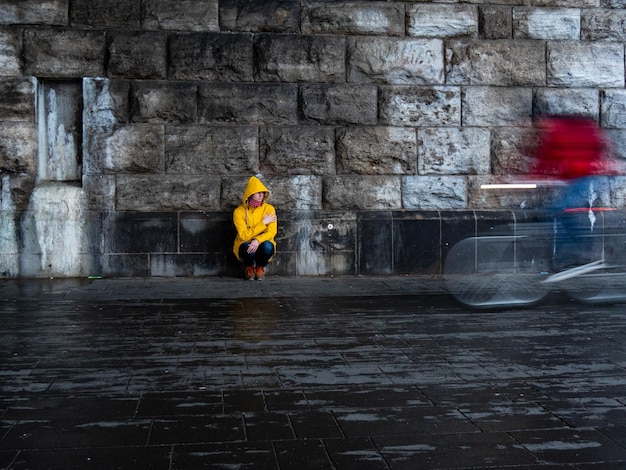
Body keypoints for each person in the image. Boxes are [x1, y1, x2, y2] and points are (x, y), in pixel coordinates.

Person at [232, 176, 277, 280]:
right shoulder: (239, 211)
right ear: (250, 194)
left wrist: (257, 240)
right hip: (246, 242)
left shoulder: (269, 209)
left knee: (268, 247)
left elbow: (271, 232)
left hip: (263, 241)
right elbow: (243, 235)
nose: (261, 195)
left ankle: (260, 267)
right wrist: (263, 223)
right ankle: (249, 267)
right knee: (247, 247)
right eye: (258, 192)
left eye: (263, 192)